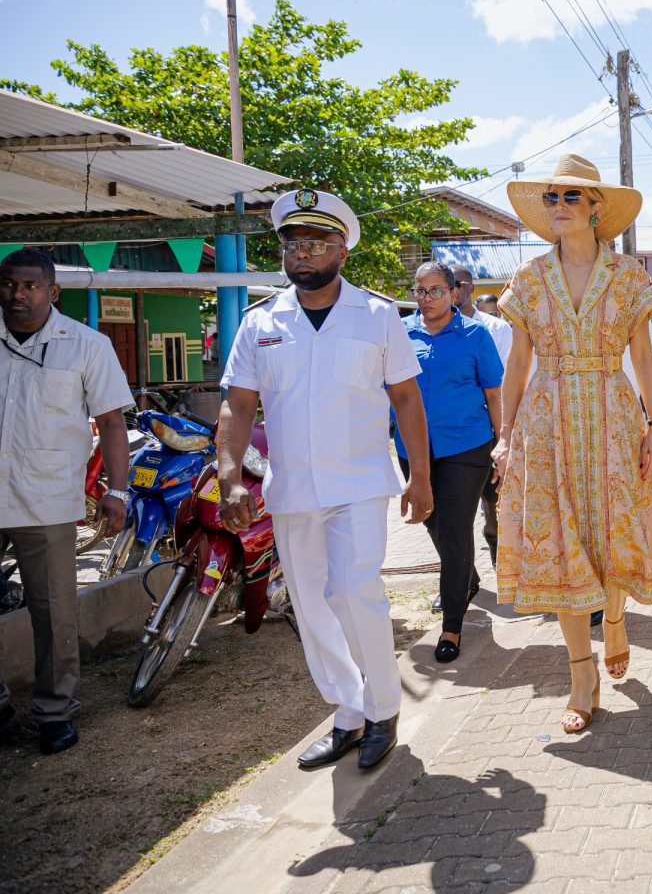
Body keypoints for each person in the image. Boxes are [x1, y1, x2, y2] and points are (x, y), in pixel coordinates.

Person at [219, 188, 433, 771]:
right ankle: (348, 711)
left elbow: (406, 398)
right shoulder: (260, 322)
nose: (302, 252)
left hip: (359, 483)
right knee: (312, 606)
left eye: (316, 243)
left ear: (342, 249)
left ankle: (383, 710)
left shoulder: (378, 316)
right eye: (293, 243)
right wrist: (230, 476)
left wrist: (419, 476)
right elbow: (239, 404)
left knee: (354, 590)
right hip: (292, 487)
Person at [495, 154, 652, 733]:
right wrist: (506, 435)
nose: (559, 206)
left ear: (596, 208)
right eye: (551, 197)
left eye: (571, 196)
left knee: (612, 531)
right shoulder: (528, 279)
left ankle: (614, 620)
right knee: (560, 542)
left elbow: (643, 354)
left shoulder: (627, 276)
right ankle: (580, 675)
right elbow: (518, 362)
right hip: (546, 424)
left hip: (613, 415)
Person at [0, 248, 132, 756]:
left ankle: (54, 712)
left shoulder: (87, 345)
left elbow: (112, 422)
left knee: (53, 610)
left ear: (52, 292)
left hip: (46, 499)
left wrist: (116, 491)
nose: (17, 294)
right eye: (9, 284)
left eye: (29, 286)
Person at [396, 261, 503, 662]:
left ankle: (452, 627)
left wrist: (503, 446)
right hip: (413, 450)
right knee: (431, 522)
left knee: (455, 530)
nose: (426, 298)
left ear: (454, 292)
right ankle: (467, 578)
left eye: (436, 290)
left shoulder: (475, 334)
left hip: (467, 447)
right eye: (420, 291)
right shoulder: (400, 334)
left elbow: (494, 393)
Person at [449, 264, 513, 571]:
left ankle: (501, 563)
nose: (452, 289)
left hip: (489, 429)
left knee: (493, 502)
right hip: (452, 432)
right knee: (453, 509)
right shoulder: (426, 328)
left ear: (471, 288)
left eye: (458, 284)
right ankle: (464, 576)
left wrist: (505, 434)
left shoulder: (496, 329)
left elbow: (508, 382)